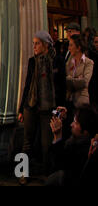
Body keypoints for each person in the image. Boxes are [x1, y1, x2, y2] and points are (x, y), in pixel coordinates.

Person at [18, 31, 66, 175]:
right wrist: (21, 109)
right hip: (31, 105)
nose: (34, 46)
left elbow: (61, 86)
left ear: (46, 44)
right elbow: (28, 86)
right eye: (33, 43)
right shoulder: (33, 61)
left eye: (37, 43)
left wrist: (60, 110)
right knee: (27, 141)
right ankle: (22, 173)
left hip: (50, 107)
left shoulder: (57, 60)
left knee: (47, 143)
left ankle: (47, 174)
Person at [46, 106, 98, 186]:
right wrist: (62, 115)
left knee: (55, 178)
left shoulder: (84, 150)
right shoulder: (77, 137)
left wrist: (57, 137)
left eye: (75, 122)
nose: (71, 124)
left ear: (85, 132)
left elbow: (57, 166)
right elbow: (52, 111)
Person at [66, 34, 94, 109]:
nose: (69, 48)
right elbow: (64, 80)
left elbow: (84, 82)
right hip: (69, 101)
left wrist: (69, 79)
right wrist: (77, 79)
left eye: (71, 45)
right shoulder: (68, 63)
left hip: (82, 102)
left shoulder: (88, 63)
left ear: (78, 48)